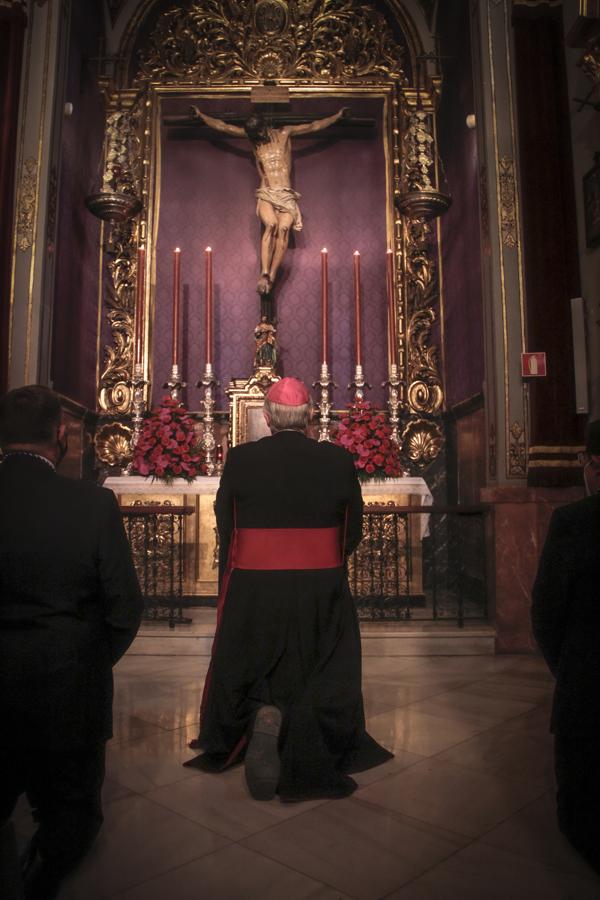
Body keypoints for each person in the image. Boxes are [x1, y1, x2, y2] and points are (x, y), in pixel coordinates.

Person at [185, 377, 392, 801]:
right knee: (320, 663)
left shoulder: (241, 459)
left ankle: (263, 714)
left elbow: (228, 525)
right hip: (321, 586)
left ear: (266, 417)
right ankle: (308, 730)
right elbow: (353, 528)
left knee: (254, 655)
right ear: (311, 416)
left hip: (255, 586)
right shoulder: (337, 459)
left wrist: (238, 569)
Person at [0, 385, 143, 899]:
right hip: (67, 688)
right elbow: (125, 608)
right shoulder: (92, 503)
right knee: (72, 815)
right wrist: (85, 662)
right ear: (61, 433)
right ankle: (41, 874)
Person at [531, 418, 600, 875]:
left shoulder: (574, 522)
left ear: (591, 465)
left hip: (588, 681)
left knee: (583, 810)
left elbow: (546, 612)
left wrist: (569, 669)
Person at [190, 105, 346, 294]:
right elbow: (225, 127)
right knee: (271, 225)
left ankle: (271, 275)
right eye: (253, 135)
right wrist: (202, 115)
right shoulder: (254, 140)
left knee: (283, 228)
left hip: (286, 193)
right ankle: (264, 272)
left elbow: (313, 126)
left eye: (258, 133)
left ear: (264, 127)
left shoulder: (285, 133)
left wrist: (337, 116)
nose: (257, 138)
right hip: (267, 191)